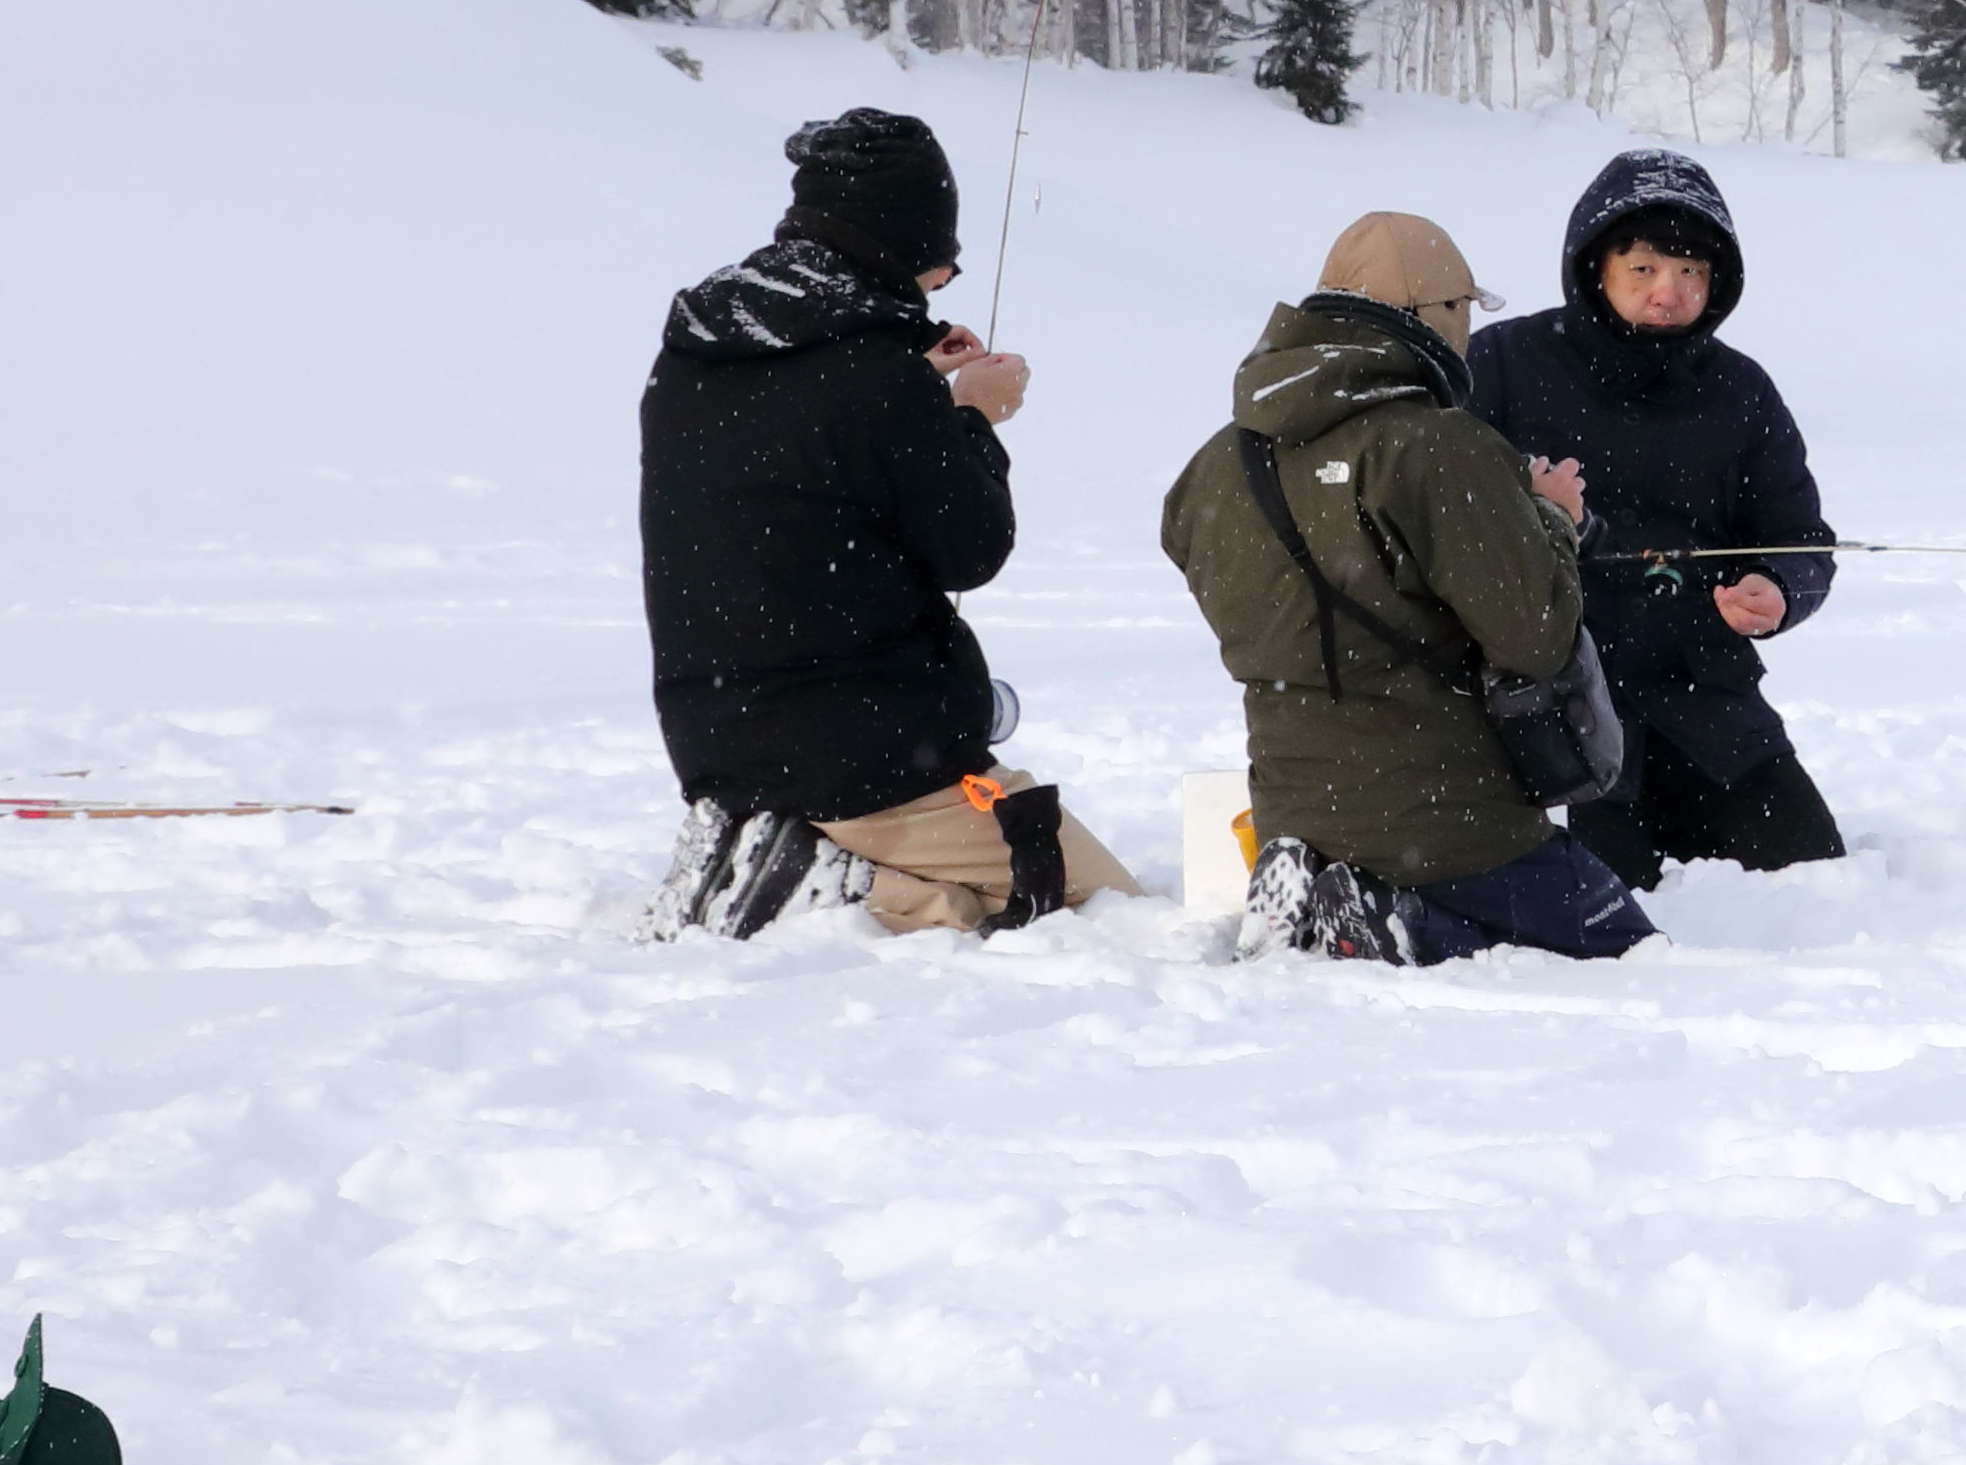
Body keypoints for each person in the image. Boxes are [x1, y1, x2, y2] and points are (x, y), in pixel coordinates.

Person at [638, 108, 1138, 938]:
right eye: (937, 263)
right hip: (871, 760)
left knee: (969, 912)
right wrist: (972, 417)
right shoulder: (873, 372)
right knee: (1103, 906)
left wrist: (915, 389)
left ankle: (785, 855)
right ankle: (814, 885)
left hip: (716, 739)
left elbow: (803, 456)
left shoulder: (699, 351)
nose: (939, 282)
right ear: (903, 239)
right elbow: (972, 548)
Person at [1159, 207, 1657, 967]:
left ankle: (1340, 902)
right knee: (1632, 955)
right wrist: (1549, 519)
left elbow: (1202, 557)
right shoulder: (1436, 445)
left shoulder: (1216, 463)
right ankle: (1403, 918)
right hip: (1453, 826)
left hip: (1294, 811)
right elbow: (1536, 633)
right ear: (1438, 314)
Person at [1465, 146, 1847, 885]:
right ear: (1594, 265)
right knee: (1609, 906)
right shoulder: (1502, 364)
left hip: (1703, 696)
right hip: (1552, 700)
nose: (1668, 292)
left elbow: (1802, 539)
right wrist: (1529, 515)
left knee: (1814, 878)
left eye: (1691, 272)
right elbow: (1428, 515)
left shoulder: (1740, 390)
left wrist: (1778, 590)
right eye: (1644, 268)